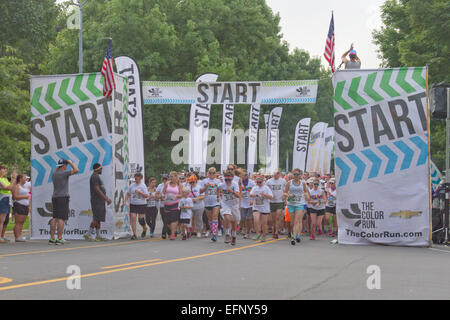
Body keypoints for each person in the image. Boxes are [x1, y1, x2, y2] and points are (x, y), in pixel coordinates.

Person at [49, 159, 79, 245]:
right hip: (62, 197)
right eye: (66, 165)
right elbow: (76, 170)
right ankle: (59, 238)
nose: (67, 167)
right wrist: (71, 163)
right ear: (64, 165)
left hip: (55, 197)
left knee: (54, 217)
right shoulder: (64, 173)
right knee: (61, 218)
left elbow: (56, 169)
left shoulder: (54, 173)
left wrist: (59, 165)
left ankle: (52, 238)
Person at [84, 163, 112, 241]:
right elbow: (97, 189)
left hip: (100, 200)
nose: (102, 170)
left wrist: (104, 199)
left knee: (99, 218)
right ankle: (88, 234)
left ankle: (98, 235)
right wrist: (106, 198)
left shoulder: (97, 176)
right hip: (97, 201)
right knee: (96, 218)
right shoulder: (94, 177)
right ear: (98, 169)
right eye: (101, 169)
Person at [284, 169, 310, 245]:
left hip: (300, 204)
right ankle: (297, 234)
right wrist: (289, 195)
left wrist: (307, 197)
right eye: (294, 174)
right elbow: (285, 193)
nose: (296, 176)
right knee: (292, 223)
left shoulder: (303, 183)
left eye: (297, 174)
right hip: (291, 204)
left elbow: (305, 192)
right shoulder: (289, 183)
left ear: (300, 175)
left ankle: (294, 238)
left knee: (297, 221)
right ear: (292, 175)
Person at [218, 171, 241, 245]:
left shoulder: (235, 184)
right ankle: (227, 234)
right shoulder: (222, 185)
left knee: (234, 221)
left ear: (232, 179)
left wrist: (232, 191)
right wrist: (218, 196)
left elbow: (239, 196)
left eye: (229, 180)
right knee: (227, 218)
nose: (227, 182)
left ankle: (234, 235)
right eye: (226, 180)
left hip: (234, 204)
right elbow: (218, 188)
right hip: (225, 204)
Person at [200, 167, 221, 242]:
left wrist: (218, 196)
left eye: (213, 173)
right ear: (208, 173)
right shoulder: (204, 181)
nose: (212, 174)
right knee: (210, 219)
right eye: (210, 173)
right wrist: (205, 187)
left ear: (215, 174)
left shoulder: (218, 181)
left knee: (215, 217)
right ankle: (213, 230)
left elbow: (219, 189)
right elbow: (200, 191)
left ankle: (214, 234)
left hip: (216, 202)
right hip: (207, 202)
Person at [250, 175, 273, 242]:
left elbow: (271, 197)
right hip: (256, 207)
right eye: (257, 182)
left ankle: (264, 235)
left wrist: (264, 194)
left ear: (263, 182)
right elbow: (250, 194)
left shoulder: (266, 188)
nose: (259, 183)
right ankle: (257, 233)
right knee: (256, 220)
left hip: (264, 207)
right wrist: (257, 195)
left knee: (264, 223)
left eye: (260, 182)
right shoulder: (255, 188)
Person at [126, 173, 149, 240]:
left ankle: (144, 228)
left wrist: (140, 192)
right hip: (133, 204)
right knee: (133, 218)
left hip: (141, 204)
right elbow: (128, 193)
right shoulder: (132, 185)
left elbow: (146, 196)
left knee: (140, 220)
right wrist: (125, 201)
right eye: (135, 179)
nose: (136, 180)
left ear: (141, 178)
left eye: (138, 179)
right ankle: (134, 234)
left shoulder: (143, 186)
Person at [266, 170, 286, 239]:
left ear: (279, 174)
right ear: (273, 174)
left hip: (280, 201)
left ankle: (276, 232)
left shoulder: (283, 181)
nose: (276, 175)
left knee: (278, 217)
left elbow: (286, 189)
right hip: (272, 202)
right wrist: (269, 195)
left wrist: (285, 196)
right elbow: (266, 190)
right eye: (275, 174)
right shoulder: (269, 181)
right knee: (273, 219)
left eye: (277, 174)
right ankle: (274, 230)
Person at [162, 171, 182, 240]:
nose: (170, 177)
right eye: (170, 176)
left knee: (174, 219)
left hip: (175, 203)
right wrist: (162, 196)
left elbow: (181, 194)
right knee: (168, 221)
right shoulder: (167, 184)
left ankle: (172, 234)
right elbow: (163, 192)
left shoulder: (179, 185)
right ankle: (174, 230)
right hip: (167, 204)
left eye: (172, 176)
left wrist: (176, 196)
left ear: (176, 177)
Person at [0, 166, 17, 243]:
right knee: (1, 220)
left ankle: (2, 236)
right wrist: (14, 179)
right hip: (2, 200)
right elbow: (8, 188)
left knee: (6, 220)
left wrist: (13, 180)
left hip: (7, 200)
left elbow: (12, 188)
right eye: (4, 170)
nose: (6, 172)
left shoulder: (5, 179)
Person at [12, 174, 31, 242]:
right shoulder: (17, 186)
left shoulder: (25, 187)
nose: (26, 179)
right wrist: (24, 197)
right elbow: (14, 197)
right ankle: (17, 237)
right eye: (24, 177)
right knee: (18, 222)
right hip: (19, 205)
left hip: (25, 206)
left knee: (22, 222)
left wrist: (29, 205)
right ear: (20, 179)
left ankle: (19, 236)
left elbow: (28, 196)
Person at [239, 170, 255, 239]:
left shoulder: (252, 183)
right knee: (242, 218)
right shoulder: (239, 183)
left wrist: (254, 199)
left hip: (250, 202)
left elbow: (255, 190)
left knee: (249, 218)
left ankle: (248, 232)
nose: (244, 176)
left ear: (247, 175)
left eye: (245, 175)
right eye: (242, 175)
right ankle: (243, 228)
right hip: (242, 203)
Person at [157, 174, 169, 238]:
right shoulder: (160, 186)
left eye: (166, 179)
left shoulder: (170, 185)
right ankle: (168, 231)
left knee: (168, 220)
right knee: (164, 220)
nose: (164, 180)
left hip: (169, 204)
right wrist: (160, 197)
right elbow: (157, 195)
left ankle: (164, 233)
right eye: (163, 179)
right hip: (162, 205)